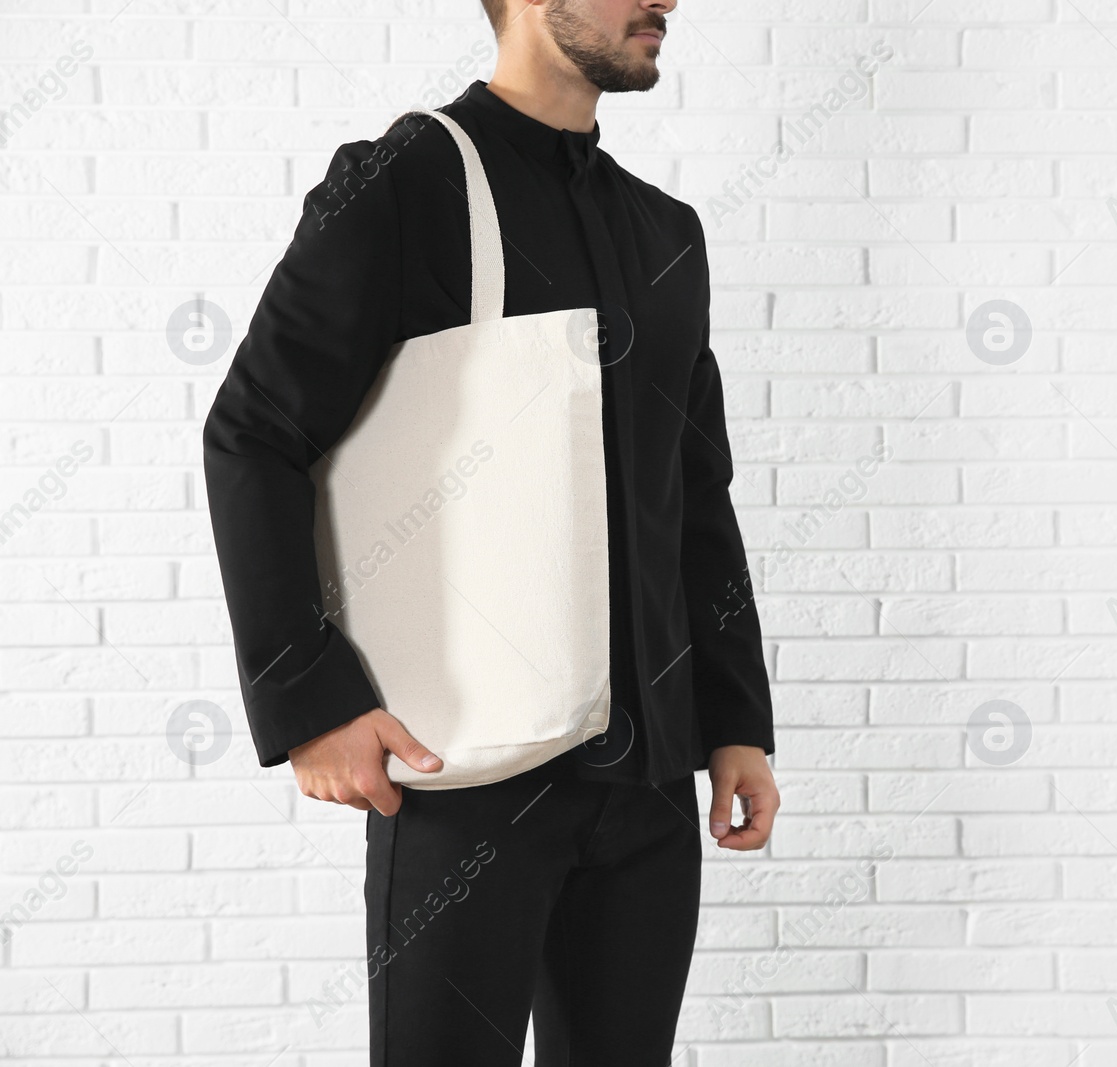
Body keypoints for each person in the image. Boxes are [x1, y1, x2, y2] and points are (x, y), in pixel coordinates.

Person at [200, 1, 779, 1062]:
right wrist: (311, 698)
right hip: (465, 775)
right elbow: (253, 432)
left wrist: (736, 719)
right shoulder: (408, 182)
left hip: (650, 789)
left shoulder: (667, 232)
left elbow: (695, 491)